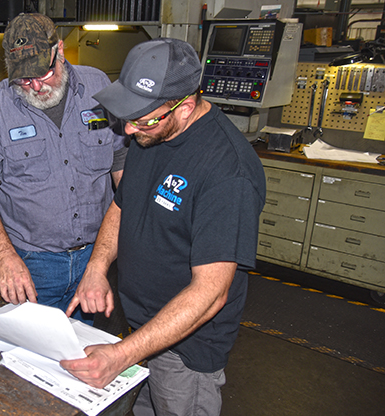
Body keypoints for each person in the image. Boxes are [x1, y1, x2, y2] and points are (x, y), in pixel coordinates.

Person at [60, 38, 266, 415]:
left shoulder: (227, 173)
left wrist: (120, 355)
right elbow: (123, 205)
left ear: (185, 107)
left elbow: (210, 295)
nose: (127, 130)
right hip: (142, 332)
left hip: (184, 348)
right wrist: (96, 266)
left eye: (140, 119)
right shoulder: (150, 133)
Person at [0, 13, 127, 324]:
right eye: (24, 78)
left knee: (82, 350)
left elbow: (121, 164)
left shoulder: (98, 86)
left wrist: (119, 247)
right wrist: (4, 256)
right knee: (32, 356)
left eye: (43, 73)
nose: (36, 86)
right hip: (33, 263)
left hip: (98, 255)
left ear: (60, 51)